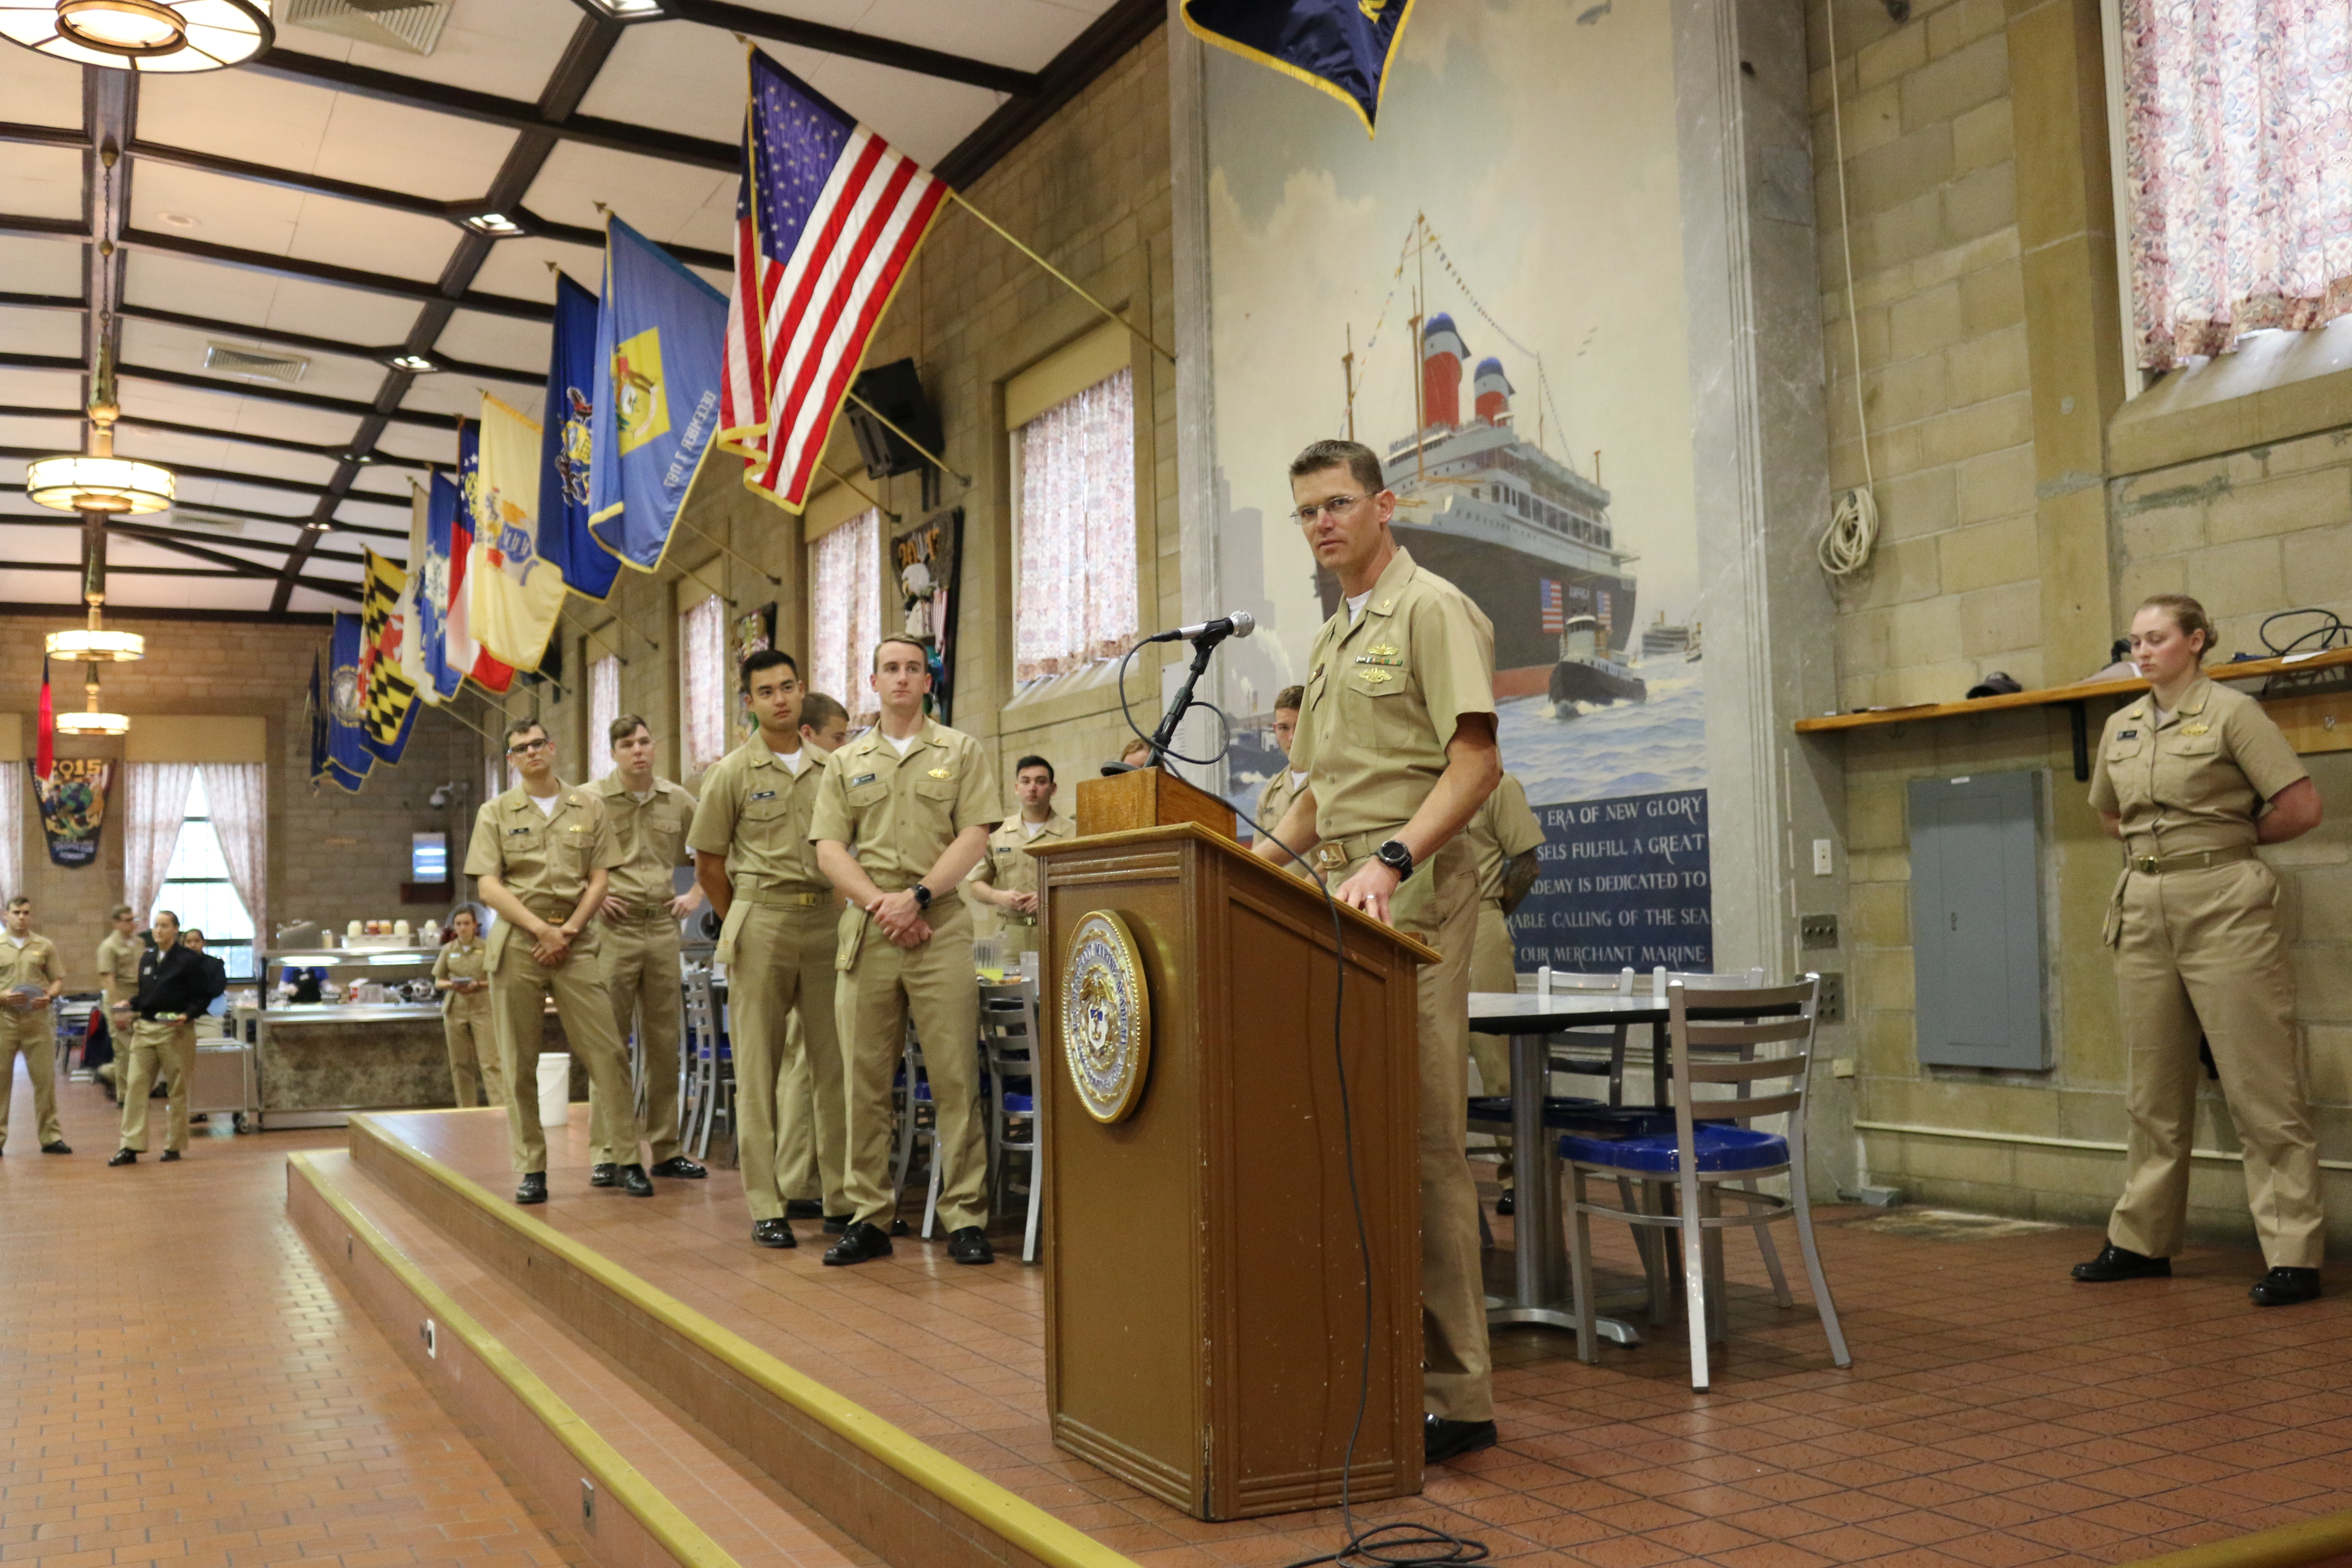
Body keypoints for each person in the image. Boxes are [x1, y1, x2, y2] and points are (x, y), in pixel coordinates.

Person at [1255, 438, 1502, 1464]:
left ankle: (1460, 1392)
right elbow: (1317, 790)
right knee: (1360, 1136)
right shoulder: (1331, 636)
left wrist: (1395, 859)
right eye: (1306, 509)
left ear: (1384, 505)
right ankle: (1383, 1356)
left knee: (1423, 1143)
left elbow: (1476, 763)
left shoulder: (1430, 607)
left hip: (1409, 901)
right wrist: (1250, 866)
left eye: (1337, 504)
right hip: (1339, 896)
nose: (1321, 524)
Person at [2075, 592, 2328, 1306]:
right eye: (2134, 641)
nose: (2142, 651)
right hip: (2143, 906)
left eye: (2156, 638)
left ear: (2195, 640)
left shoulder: (2232, 714)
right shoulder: (2121, 724)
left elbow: (2300, 806)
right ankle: (2140, 1241)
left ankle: (2293, 1253)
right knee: (2152, 1091)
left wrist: (2228, 841)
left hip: (2224, 905)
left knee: (2261, 1087)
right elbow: (2106, 813)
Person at [812, 637, 1004, 1266]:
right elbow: (830, 849)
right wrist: (881, 905)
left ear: (928, 682)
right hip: (870, 932)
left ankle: (966, 1216)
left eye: (912, 669)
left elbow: (975, 836)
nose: (901, 678)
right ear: (873, 680)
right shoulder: (846, 762)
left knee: (955, 1079)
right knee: (865, 1082)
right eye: (890, 668)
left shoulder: (960, 751)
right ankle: (870, 1216)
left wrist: (917, 897)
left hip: (940, 926)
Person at [689, 656, 847, 1249]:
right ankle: (767, 1204)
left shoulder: (834, 768)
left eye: (787, 687)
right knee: (759, 1068)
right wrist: (742, 922)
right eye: (765, 692)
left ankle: (839, 1198)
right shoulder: (731, 773)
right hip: (762, 918)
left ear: (802, 692)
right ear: (748, 702)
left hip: (826, 919)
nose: (779, 699)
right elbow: (708, 863)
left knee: (834, 1067)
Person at [466, 717, 651, 1205]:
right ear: (512, 759)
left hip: (577, 941)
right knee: (518, 1061)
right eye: (521, 748)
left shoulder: (588, 805)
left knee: (608, 1052)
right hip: (519, 943)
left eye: (538, 744)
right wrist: (541, 930)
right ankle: (532, 1169)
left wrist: (567, 930)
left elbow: (599, 879)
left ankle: (627, 1159)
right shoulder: (496, 812)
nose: (531, 753)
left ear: (553, 747)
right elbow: (488, 885)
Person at [588, 714, 708, 1187]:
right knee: (609, 1045)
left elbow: (713, 849)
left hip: (661, 930)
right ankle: (608, 1151)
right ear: (613, 753)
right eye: (627, 744)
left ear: (654, 747)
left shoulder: (678, 800)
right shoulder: (591, 801)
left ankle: (666, 1148)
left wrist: (696, 894)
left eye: (644, 741)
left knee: (664, 1045)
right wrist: (592, 894)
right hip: (612, 933)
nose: (638, 750)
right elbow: (565, 856)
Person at [766, 691, 853, 1225]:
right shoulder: (811, 779)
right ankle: (804, 1180)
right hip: (807, 923)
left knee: (815, 1060)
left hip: (827, 920)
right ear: (809, 734)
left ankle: (809, 1177)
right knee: (810, 1059)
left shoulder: (831, 774)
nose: (845, 747)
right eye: (839, 737)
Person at [1464, 772, 1545, 1215]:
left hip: (1478, 919)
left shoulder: (1495, 784)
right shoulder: (1417, 781)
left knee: (1497, 1063)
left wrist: (1492, 913)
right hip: (1420, 923)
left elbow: (1527, 864)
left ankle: (1519, 1176)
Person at [109, 910, 225, 1165]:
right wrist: (130, 1003)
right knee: (136, 1086)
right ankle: (131, 1145)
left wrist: (189, 1014)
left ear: (175, 930)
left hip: (176, 1031)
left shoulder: (188, 960)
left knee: (177, 1089)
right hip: (147, 1029)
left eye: (164, 926)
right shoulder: (148, 959)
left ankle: (174, 1145)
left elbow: (203, 995)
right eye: (156, 926)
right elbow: (149, 996)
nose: (158, 931)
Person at [965, 756, 1075, 964]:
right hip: (1009, 937)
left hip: (1058, 932)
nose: (1032, 788)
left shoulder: (1073, 833)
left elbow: (1088, 885)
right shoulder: (996, 833)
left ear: (1053, 789)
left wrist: (1049, 896)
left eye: (1041, 782)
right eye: (1026, 781)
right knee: (1005, 993)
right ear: (1016, 788)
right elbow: (975, 884)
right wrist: (998, 897)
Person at [0, 895, 70, 1155]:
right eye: (17, 912)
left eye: (26, 913)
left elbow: (58, 979)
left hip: (38, 1022)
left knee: (45, 1081)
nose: (22, 917)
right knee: (1, 1082)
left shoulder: (44, 945)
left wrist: (50, 996)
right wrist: (3, 995)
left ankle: (51, 1137)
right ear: (6, 915)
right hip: (4, 1021)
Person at [432, 905, 502, 1108]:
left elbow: (496, 979)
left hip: (482, 1007)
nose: (463, 928)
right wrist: (454, 985)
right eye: (458, 924)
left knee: (491, 1062)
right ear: (453, 927)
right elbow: (439, 981)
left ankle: (499, 1107)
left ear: (475, 926)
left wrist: (478, 985)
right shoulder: (449, 950)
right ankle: (466, 1108)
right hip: (456, 1009)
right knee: (460, 1063)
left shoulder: (486, 947)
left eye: (467, 924)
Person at [1253, 686, 1314, 876]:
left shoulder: (1334, 780)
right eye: (1284, 728)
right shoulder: (1270, 794)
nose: (1293, 737)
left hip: (1330, 900)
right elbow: (1257, 861)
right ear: (1275, 730)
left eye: (1301, 727)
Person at [93, 903, 142, 1100]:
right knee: (124, 1051)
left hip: (138, 997)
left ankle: (109, 1073)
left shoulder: (139, 943)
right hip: (119, 996)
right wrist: (118, 1008)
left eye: (134, 920)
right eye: (128, 921)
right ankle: (125, 1095)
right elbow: (108, 979)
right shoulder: (109, 947)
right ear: (116, 923)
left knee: (139, 1049)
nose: (133, 924)